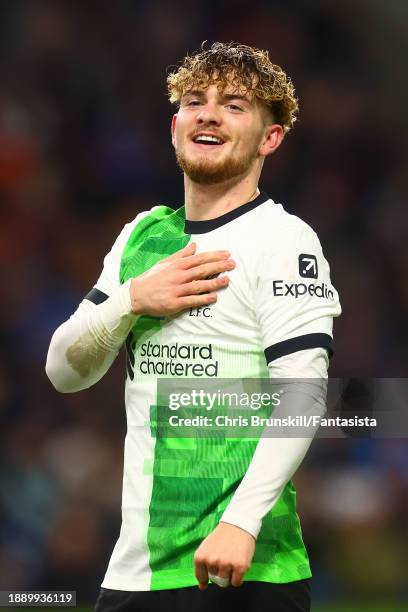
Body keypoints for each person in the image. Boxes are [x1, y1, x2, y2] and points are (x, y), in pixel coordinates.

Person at [46, 42, 341, 612]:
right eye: (195, 101)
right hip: (137, 573)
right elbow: (63, 371)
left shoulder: (285, 240)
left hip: (246, 569)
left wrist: (241, 523)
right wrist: (131, 299)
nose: (208, 113)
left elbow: (304, 395)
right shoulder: (142, 237)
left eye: (234, 105)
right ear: (175, 125)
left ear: (270, 138)